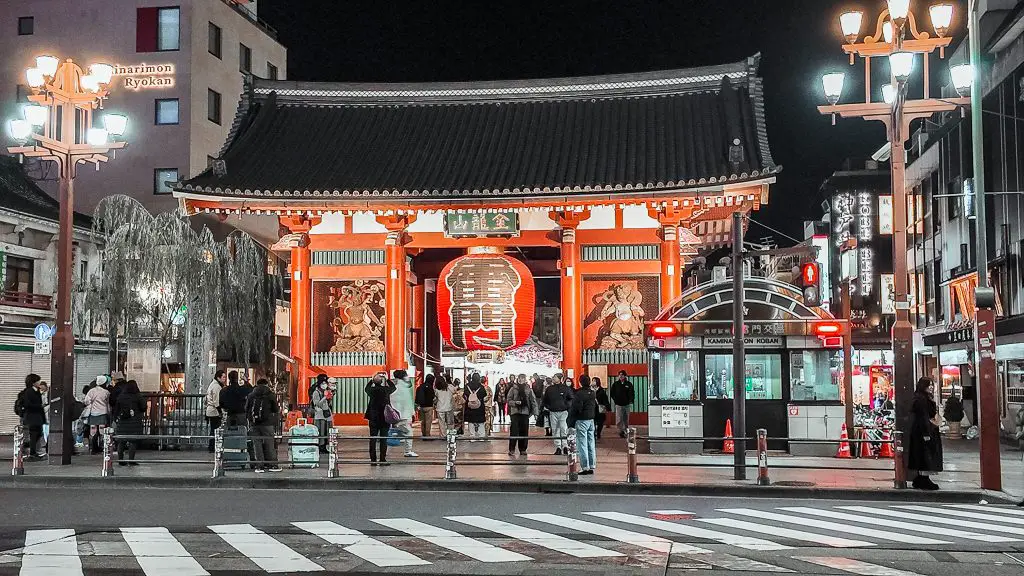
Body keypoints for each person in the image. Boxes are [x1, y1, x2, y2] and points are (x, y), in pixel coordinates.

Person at [908, 376, 942, 490]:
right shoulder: (921, 399)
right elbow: (923, 417)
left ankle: (920, 478)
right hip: (924, 431)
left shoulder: (920, 397)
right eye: (929, 385)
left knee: (923, 455)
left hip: (922, 430)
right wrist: (926, 434)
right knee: (926, 456)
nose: (931, 387)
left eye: (932, 385)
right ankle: (923, 479)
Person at [246, 377, 282, 473]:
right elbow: (275, 409)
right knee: (269, 443)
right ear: (266, 384)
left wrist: (251, 419)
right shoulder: (270, 395)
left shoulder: (251, 395)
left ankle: (259, 466)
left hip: (254, 423)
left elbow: (247, 408)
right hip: (267, 423)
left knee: (256, 444)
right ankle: (272, 465)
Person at [364, 372, 396, 465]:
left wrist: (371, 379)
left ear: (374, 382)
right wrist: (387, 379)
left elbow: (366, 388)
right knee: (383, 439)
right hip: (384, 418)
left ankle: (373, 460)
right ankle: (382, 459)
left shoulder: (371, 390)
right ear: (382, 381)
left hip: (373, 418)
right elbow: (393, 388)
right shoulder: (386, 390)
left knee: (372, 439)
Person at [569, 374, 598, 475]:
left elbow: (576, 408)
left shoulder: (579, 394)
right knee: (591, 443)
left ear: (580, 382)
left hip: (581, 420)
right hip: (591, 420)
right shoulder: (592, 393)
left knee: (582, 444)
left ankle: (585, 467)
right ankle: (592, 465)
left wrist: (571, 422)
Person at [113, 380, 146, 466]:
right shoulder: (137, 396)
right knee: (133, 441)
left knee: (121, 441)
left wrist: (115, 419)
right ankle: (131, 460)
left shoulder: (121, 396)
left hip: (122, 422)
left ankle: (120, 460)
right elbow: (143, 407)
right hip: (134, 422)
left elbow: (116, 410)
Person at [506, 374, 538, 456]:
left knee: (524, 431)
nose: (521, 380)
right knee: (514, 431)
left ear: (525, 379)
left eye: (523, 378)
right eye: (519, 378)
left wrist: (535, 413)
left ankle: (523, 449)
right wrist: (515, 403)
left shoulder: (529, 389)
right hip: (515, 412)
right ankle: (512, 449)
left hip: (525, 412)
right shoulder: (513, 389)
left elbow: (533, 401)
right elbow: (508, 400)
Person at [16, 374, 46, 459]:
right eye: (38, 381)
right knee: (33, 434)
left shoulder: (37, 391)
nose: (39, 382)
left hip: (37, 417)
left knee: (38, 433)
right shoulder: (29, 392)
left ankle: (32, 451)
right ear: (33, 382)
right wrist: (40, 406)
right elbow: (28, 404)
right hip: (32, 417)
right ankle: (31, 452)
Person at [543, 373, 574, 455]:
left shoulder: (566, 389)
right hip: (553, 412)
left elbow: (571, 398)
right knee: (555, 429)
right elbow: (545, 399)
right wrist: (549, 407)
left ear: (560, 379)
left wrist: (566, 406)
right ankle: (558, 447)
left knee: (563, 428)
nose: (553, 378)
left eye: (555, 377)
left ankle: (565, 446)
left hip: (563, 412)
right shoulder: (549, 389)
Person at [390, 369, 418, 457]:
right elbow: (408, 402)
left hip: (395, 414)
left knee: (401, 430)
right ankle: (408, 451)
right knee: (409, 432)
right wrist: (412, 412)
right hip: (405, 414)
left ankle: (397, 438)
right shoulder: (405, 387)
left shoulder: (393, 386)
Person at [83, 376, 111, 454]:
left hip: (93, 414)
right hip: (103, 413)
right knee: (102, 431)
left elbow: (86, 401)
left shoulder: (91, 391)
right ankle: (103, 448)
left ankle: (93, 448)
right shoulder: (106, 392)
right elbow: (108, 403)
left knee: (93, 431)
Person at [310, 374, 334, 453]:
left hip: (326, 414)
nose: (325, 385)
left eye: (325, 383)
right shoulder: (316, 392)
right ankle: (320, 447)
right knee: (321, 431)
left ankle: (324, 446)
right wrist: (325, 397)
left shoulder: (326, 391)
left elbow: (327, 403)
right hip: (320, 416)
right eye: (323, 383)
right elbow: (317, 404)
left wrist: (329, 397)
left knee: (327, 431)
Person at [610, 370, 636, 438]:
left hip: (626, 404)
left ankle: (625, 430)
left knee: (626, 418)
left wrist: (631, 400)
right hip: (618, 404)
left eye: (622, 375)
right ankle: (620, 431)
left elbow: (632, 393)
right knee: (619, 418)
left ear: (625, 376)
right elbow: (612, 393)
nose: (620, 376)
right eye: (619, 375)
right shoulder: (615, 384)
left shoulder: (629, 384)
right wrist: (616, 400)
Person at [462, 373, 487, 439]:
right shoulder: (481, 386)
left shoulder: (467, 386)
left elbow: (464, 395)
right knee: (480, 422)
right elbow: (484, 394)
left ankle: (472, 436)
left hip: (470, 406)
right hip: (479, 407)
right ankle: (481, 436)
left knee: (471, 421)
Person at [205, 370, 225, 452]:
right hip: (214, 411)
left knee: (213, 429)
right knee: (215, 430)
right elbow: (217, 401)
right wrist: (220, 412)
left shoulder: (212, 385)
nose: (224, 379)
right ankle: (212, 447)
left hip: (211, 410)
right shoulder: (216, 386)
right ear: (218, 377)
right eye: (223, 377)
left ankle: (211, 446)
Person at [416, 374, 436, 439]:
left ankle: (423, 434)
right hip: (429, 406)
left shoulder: (420, 387)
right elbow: (433, 396)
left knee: (423, 421)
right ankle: (427, 435)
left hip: (421, 407)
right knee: (428, 421)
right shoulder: (430, 387)